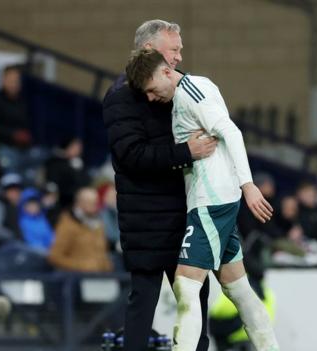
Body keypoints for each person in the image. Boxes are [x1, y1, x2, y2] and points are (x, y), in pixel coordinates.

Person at [125, 48, 279, 351]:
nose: (152, 98)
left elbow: (231, 132)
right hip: (216, 199)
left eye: (153, 90)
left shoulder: (192, 92)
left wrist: (248, 185)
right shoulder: (190, 91)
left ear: (166, 72)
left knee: (185, 284)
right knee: (239, 290)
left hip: (211, 201)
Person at [102, 20, 216, 351]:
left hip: (184, 213)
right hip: (147, 220)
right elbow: (132, 155)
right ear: (150, 50)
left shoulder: (180, 88)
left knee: (195, 302)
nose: (180, 57)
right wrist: (187, 152)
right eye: (174, 49)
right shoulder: (121, 96)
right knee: (144, 302)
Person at [48, 187, 113, 273]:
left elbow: (103, 251)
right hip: (78, 278)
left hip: (101, 277)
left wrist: (106, 265)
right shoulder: (68, 225)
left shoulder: (98, 224)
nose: (95, 205)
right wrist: (81, 266)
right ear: (80, 203)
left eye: (95, 202)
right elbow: (55, 256)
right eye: (90, 202)